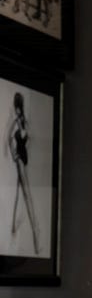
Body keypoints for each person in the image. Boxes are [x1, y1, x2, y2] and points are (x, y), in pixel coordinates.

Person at [6, 91, 41, 254]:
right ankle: (35, 237)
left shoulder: (24, 121)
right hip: (20, 161)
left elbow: (30, 138)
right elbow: (7, 137)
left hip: (24, 160)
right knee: (27, 198)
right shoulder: (16, 121)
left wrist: (24, 145)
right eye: (17, 107)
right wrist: (14, 154)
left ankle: (13, 227)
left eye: (18, 106)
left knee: (20, 195)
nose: (17, 109)